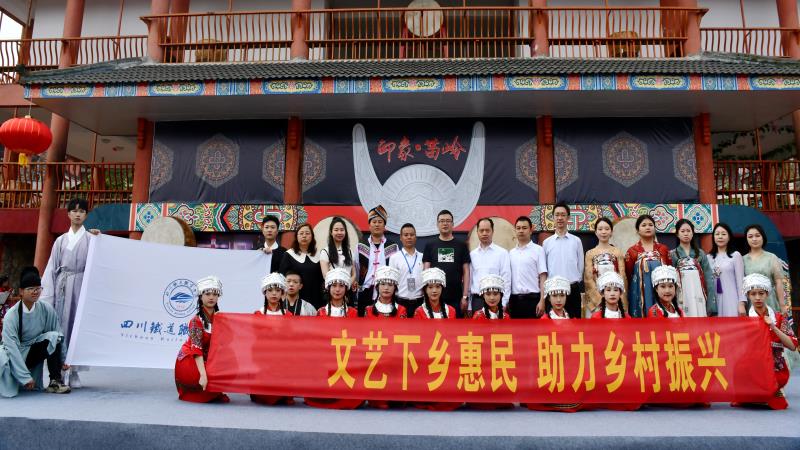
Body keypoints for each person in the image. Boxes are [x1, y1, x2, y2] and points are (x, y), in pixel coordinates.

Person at [40, 197, 100, 388]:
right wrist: (48, 296)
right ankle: (59, 370)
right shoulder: (60, 241)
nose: (77, 214)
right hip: (63, 286)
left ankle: (74, 372)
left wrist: (100, 239)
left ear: (86, 215)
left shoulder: (91, 239)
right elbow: (52, 268)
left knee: (77, 327)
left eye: (81, 211)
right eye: (74, 211)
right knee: (61, 327)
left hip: (81, 286)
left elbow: (97, 262)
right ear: (68, 214)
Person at [0, 269, 70, 397]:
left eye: (38, 288)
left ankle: (55, 381)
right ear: (21, 291)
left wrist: (64, 359)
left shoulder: (46, 309)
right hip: (15, 354)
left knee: (55, 337)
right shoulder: (12, 315)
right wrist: (25, 377)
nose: (35, 292)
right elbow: (11, 348)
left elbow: (58, 332)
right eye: (30, 289)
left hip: (32, 350)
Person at [736, 274, 797, 410]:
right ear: (748, 296)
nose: (757, 297)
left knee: (777, 403)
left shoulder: (779, 318)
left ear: (767, 294)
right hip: (752, 368)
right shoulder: (745, 321)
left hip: (775, 369)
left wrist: (773, 327)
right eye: (753, 294)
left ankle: (771, 390)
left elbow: (793, 345)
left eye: (761, 293)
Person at [306, 268, 363, 410]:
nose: (337, 290)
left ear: (346, 288)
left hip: (347, 358)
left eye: (341, 286)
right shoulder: (321, 312)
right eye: (334, 286)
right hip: (327, 359)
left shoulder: (353, 312)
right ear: (328, 288)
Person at [174, 276, 229, 403]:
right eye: (207, 294)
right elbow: (196, 351)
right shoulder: (196, 321)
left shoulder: (220, 318)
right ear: (200, 296)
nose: (211, 297)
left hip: (208, 358)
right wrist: (203, 375)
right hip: (191, 359)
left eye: (215, 294)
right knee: (204, 387)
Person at [413, 267, 461, 411]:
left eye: (437, 287)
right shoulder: (419, 312)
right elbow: (418, 339)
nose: (434, 291)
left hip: (447, 356)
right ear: (425, 290)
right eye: (430, 287)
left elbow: (454, 337)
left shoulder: (451, 311)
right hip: (426, 356)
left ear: (442, 288)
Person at [364, 266, 406, 409]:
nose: (386, 288)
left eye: (390, 284)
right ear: (377, 286)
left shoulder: (401, 310)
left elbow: (401, 334)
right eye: (383, 284)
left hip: (395, 353)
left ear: (395, 288)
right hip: (374, 353)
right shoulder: (369, 310)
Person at [251, 273, 294, 406]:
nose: (274, 293)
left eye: (277, 290)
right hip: (264, 356)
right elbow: (256, 339)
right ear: (265, 293)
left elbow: (290, 339)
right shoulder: (258, 313)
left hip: (282, 357)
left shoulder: (288, 315)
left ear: (282, 293)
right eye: (270, 290)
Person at [423, 210, 471, 318]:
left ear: (453, 224)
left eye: (448, 221)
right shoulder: (430, 245)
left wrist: (465, 296)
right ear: (437, 224)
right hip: (434, 298)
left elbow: (466, 271)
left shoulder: (461, 245)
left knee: (455, 327)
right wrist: (426, 295)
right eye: (442, 221)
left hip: (456, 298)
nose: (445, 223)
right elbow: (426, 272)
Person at [542, 202, 584, 319]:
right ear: (553, 217)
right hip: (553, 292)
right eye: (557, 215)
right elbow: (545, 268)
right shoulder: (546, 243)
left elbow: (580, 266)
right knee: (553, 325)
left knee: (575, 323)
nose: (560, 218)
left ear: (568, 217)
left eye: (563, 215)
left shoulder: (576, 241)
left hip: (572, 290)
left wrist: (574, 282)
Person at [625, 214, 672, 318]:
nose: (648, 227)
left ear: (654, 228)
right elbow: (629, 275)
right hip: (639, 293)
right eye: (644, 225)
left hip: (662, 292)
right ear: (637, 230)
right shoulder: (632, 251)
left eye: (651, 225)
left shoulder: (663, 249)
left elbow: (670, 271)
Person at [669, 219, 717, 317]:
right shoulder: (672, 254)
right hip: (681, 294)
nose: (686, 234)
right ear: (677, 234)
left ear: (692, 233)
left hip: (698, 293)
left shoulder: (700, 254)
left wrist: (711, 303)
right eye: (682, 231)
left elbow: (708, 278)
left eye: (688, 231)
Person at [357, 205, 399, 317]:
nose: (377, 224)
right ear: (369, 225)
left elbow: (396, 269)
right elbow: (356, 267)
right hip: (365, 290)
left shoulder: (393, 246)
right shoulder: (361, 245)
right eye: (374, 222)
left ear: (384, 225)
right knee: (363, 322)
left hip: (386, 290)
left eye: (380, 222)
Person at [584, 217, 627, 317]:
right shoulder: (590, 253)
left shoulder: (618, 252)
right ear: (595, 232)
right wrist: (599, 298)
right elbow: (588, 278)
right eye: (600, 229)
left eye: (607, 229)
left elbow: (622, 276)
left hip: (614, 296)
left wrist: (619, 296)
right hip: (597, 298)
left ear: (611, 232)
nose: (603, 232)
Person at [468, 218, 511, 316]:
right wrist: (469, 305)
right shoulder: (472, 255)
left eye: (487, 230)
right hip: (477, 301)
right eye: (481, 230)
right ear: (477, 232)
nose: (484, 233)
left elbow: (506, 279)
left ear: (493, 231)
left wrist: (504, 302)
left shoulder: (502, 253)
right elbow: (470, 281)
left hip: (496, 300)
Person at [743, 224, 788, 316]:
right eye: (750, 236)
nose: (754, 239)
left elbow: (778, 282)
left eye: (757, 236)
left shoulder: (772, 257)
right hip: (751, 303)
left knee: (772, 323)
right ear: (746, 239)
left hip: (770, 301)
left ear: (763, 237)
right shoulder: (742, 260)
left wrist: (782, 305)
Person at [508, 216, 547, 319]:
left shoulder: (538, 250)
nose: (521, 231)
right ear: (515, 230)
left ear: (531, 230)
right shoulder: (511, 253)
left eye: (524, 228)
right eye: (518, 228)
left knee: (533, 329)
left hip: (533, 300)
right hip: (514, 301)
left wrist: (542, 300)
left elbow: (543, 277)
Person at [279, 223, 324, 309]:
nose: (304, 236)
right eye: (301, 233)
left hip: (316, 298)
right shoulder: (289, 254)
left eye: (307, 233)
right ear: (296, 237)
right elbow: (282, 278)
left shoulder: (319, 255)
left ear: (312, 236)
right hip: (295, 299)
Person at [707, 223, 746, 317]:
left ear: (729, 237)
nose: (720, 237)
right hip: (714, 300)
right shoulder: (708, 257)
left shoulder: (735, 255)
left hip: (731, 298)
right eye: (717, 234)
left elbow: (741, 281)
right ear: (713, 237)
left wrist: (742, 303)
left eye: (723, 234)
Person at [388, 223, 424, 318]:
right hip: (400, 301)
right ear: (401, 237)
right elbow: (392, 281)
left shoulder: (422, 257)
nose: (409, 237)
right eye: (406, 235)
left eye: (412, 235)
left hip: (419, 302)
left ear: (415, 237)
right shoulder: (394, 258)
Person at [319, 216, 357, 297]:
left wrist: (346, 285)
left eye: (342, 230)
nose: (339, 232)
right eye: (336, 230)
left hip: (348, 292)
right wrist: (339, 287)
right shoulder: (325, 252)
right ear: (331, 232)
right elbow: (326, 276)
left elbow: (354, 273)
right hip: (333, 293)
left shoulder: (350, 251)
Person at [0, 274, 16, 339]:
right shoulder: (1, 289)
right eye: (6, 281)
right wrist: (7, 294)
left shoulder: (8, 288)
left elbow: (11, 297)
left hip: (8, 306)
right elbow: (2, 300)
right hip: (2, 307)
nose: (7, 282)